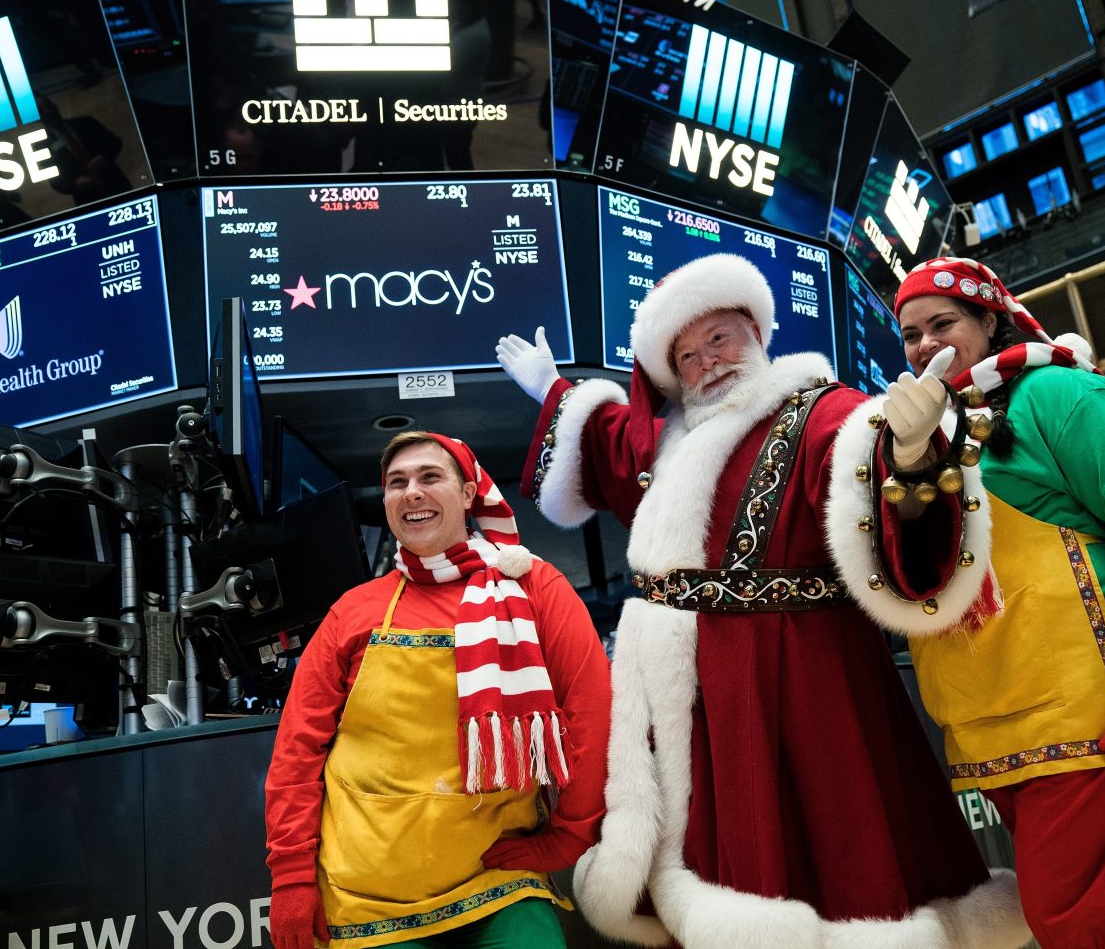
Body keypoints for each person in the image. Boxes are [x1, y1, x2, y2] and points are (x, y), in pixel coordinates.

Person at [495, 253, 1030, 949]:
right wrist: (553, 391)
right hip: (695, 701)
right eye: (685, 355)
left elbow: (881, 493)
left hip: (799, 682)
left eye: (718, 338)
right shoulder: (677, 443)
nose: (706, 362)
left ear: (754, 329)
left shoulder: (824, 413)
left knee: (840, 858)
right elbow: (617, 444)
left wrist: (908, 455)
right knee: (718, 861)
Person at [893, 256, 1105, 949]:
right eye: (909, 333)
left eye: (941, 323)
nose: (923, 345)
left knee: (1079, 920)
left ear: (988, 319)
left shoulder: (1061, 394)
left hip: (1081, 714)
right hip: (997, 722)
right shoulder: (936, 430)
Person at [264, 432, 612, 949]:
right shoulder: (352, 613)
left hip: (497, 880)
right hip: (367, 892)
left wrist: (570, 835)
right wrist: (291, 878)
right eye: (396, 483)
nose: (412, 492)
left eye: (431, 477)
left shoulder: (536, 589)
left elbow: (592, 715)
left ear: (469, 493)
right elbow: (297, 753)